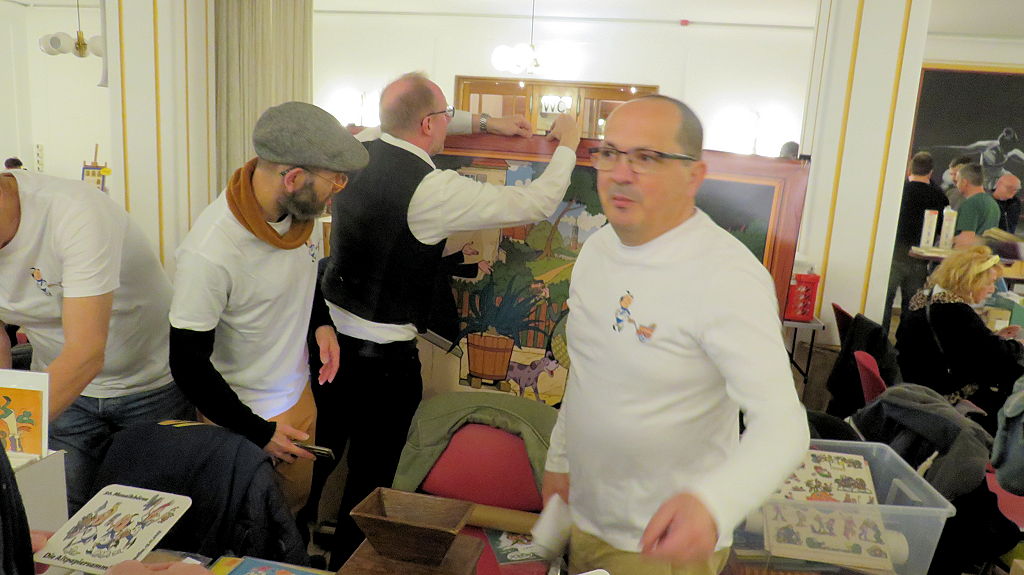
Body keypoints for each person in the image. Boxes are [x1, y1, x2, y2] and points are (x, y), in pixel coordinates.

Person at [321, 71, 580, 567]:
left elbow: (413, 113)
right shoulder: (432, 189)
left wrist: (486, 123)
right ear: (427, 125)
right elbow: (539, 201)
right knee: (370, 483)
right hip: (384, 366)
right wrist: (567, 143)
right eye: (443, 116)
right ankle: (348, 568)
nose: (448, 122)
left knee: (317, 466)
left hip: (328, 347)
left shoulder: (360, 145)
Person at [541, 95, 809, 574]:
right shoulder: (597, 250)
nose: (620, 174)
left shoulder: (726, 275)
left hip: (661, 543)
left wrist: (713, 504)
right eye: (609, 153)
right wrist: (560, 461)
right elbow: (586, 373)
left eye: (646, 157)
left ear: (694, 175)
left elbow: (784, 425)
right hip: (584, 517)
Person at [168, 101, 366, 515]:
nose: (336, 190)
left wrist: (321, 324)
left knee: (291, 519)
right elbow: (187, 365)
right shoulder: (210, 252)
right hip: (241, 419)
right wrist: (259, 432)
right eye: (334, 180)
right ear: (293, 178)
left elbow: (303, 278)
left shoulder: (300, 218)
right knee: (246, 529)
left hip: (297, 396)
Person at [0, 169, 193, 514]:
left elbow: (86, 352)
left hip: (149, 384)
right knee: (60, 513)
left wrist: (9, 437)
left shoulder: (74, 211)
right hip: (61, 386)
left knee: (150, 512)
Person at [894, 245, 1023, 433]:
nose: (992, 289)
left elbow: (968, 346)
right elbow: (993, 358)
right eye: (990, 282)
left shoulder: (927, 298)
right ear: (972, 281)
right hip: (945, 399)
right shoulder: (955, 312)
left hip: (919, 388)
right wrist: (1018, 345)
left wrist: (996, 338)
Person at [882, 152, 948, 333]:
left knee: (884, 302)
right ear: (931, 172)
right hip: (919, 259)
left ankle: (880, 341)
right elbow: (942, 230)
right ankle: (904, 343)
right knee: (912, 306)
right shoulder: (939, 196)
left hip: (894, 255)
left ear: (910, 169)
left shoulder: (897, 191)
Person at [953, 162, 1000, 248]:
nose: (956, 185)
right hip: (985, 253)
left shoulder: (971, 204)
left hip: (969, 254)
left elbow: (965, 240)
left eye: (957, 181)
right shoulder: (993, 203)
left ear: (964, 182)